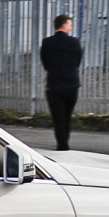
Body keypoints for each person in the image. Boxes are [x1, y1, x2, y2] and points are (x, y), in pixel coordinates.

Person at [40, 13, 82, 151]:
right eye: (70, 24)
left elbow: (45, 63)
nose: (71, 27)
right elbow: (77, 61)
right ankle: (64, 144)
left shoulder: (47, 42)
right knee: (67, 117)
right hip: (71, 85)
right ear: (64, 25)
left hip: (54, 85)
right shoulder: (74, 42)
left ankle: (62, 145)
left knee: (58, 119)